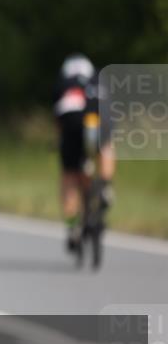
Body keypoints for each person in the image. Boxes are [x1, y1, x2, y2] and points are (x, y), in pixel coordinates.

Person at [53, 53, 114, 252]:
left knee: (70, 177)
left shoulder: (63, 83)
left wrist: (58, 142)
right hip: (98, 117)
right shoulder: (97, 79)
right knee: (106, 146)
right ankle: (105, 184)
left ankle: (72, 228)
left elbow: (58, 122)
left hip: (71, 122)